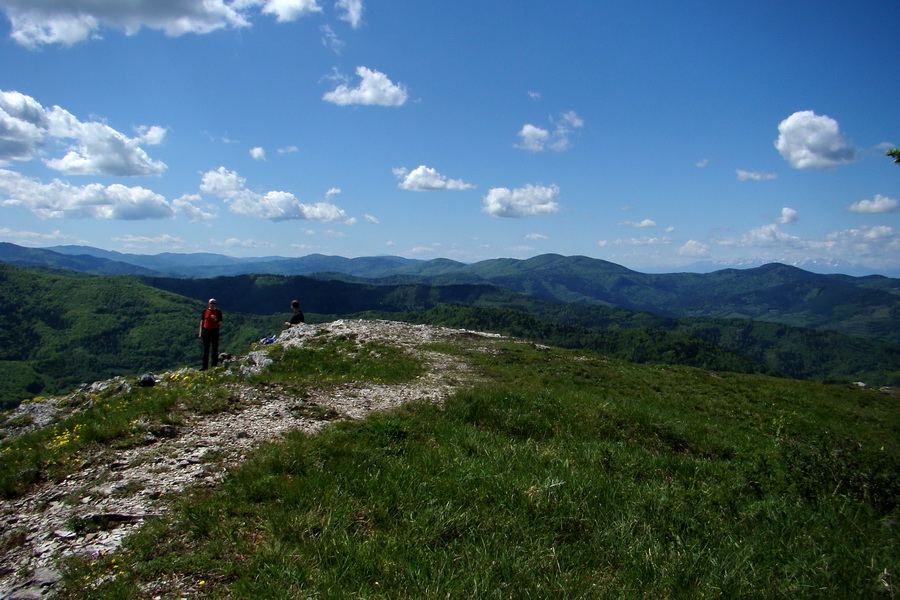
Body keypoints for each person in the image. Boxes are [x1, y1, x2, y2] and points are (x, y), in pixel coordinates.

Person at [199, 298, 223, 370]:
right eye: (211, 303)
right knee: (206, 350)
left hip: (214, 331)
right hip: (206, 331)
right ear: (208, 304)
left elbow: (220, 323)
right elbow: (202, 322)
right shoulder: (205, 311)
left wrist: (216, 319)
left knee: (214, 349)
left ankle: (214, 365)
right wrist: (200, 332)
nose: (212, 304)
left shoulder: (218, 312)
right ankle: (204, 366)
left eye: (214, 303)